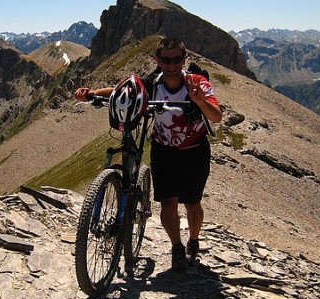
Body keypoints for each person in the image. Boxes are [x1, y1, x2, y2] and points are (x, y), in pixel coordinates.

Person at [74, 37, 222, 271]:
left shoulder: (197, 83)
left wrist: (201, 102)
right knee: (168, 204)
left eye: (176, 59)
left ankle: (193, 240)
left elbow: (216, 116)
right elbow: (120, 91)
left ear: (184, 60)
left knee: (193, 203)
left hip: (195, 151)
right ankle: (176, 248)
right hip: (164, 151)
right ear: (157, 61)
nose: (171, 64)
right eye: (165, 59)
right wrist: (91, 93)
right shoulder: (153, 82)